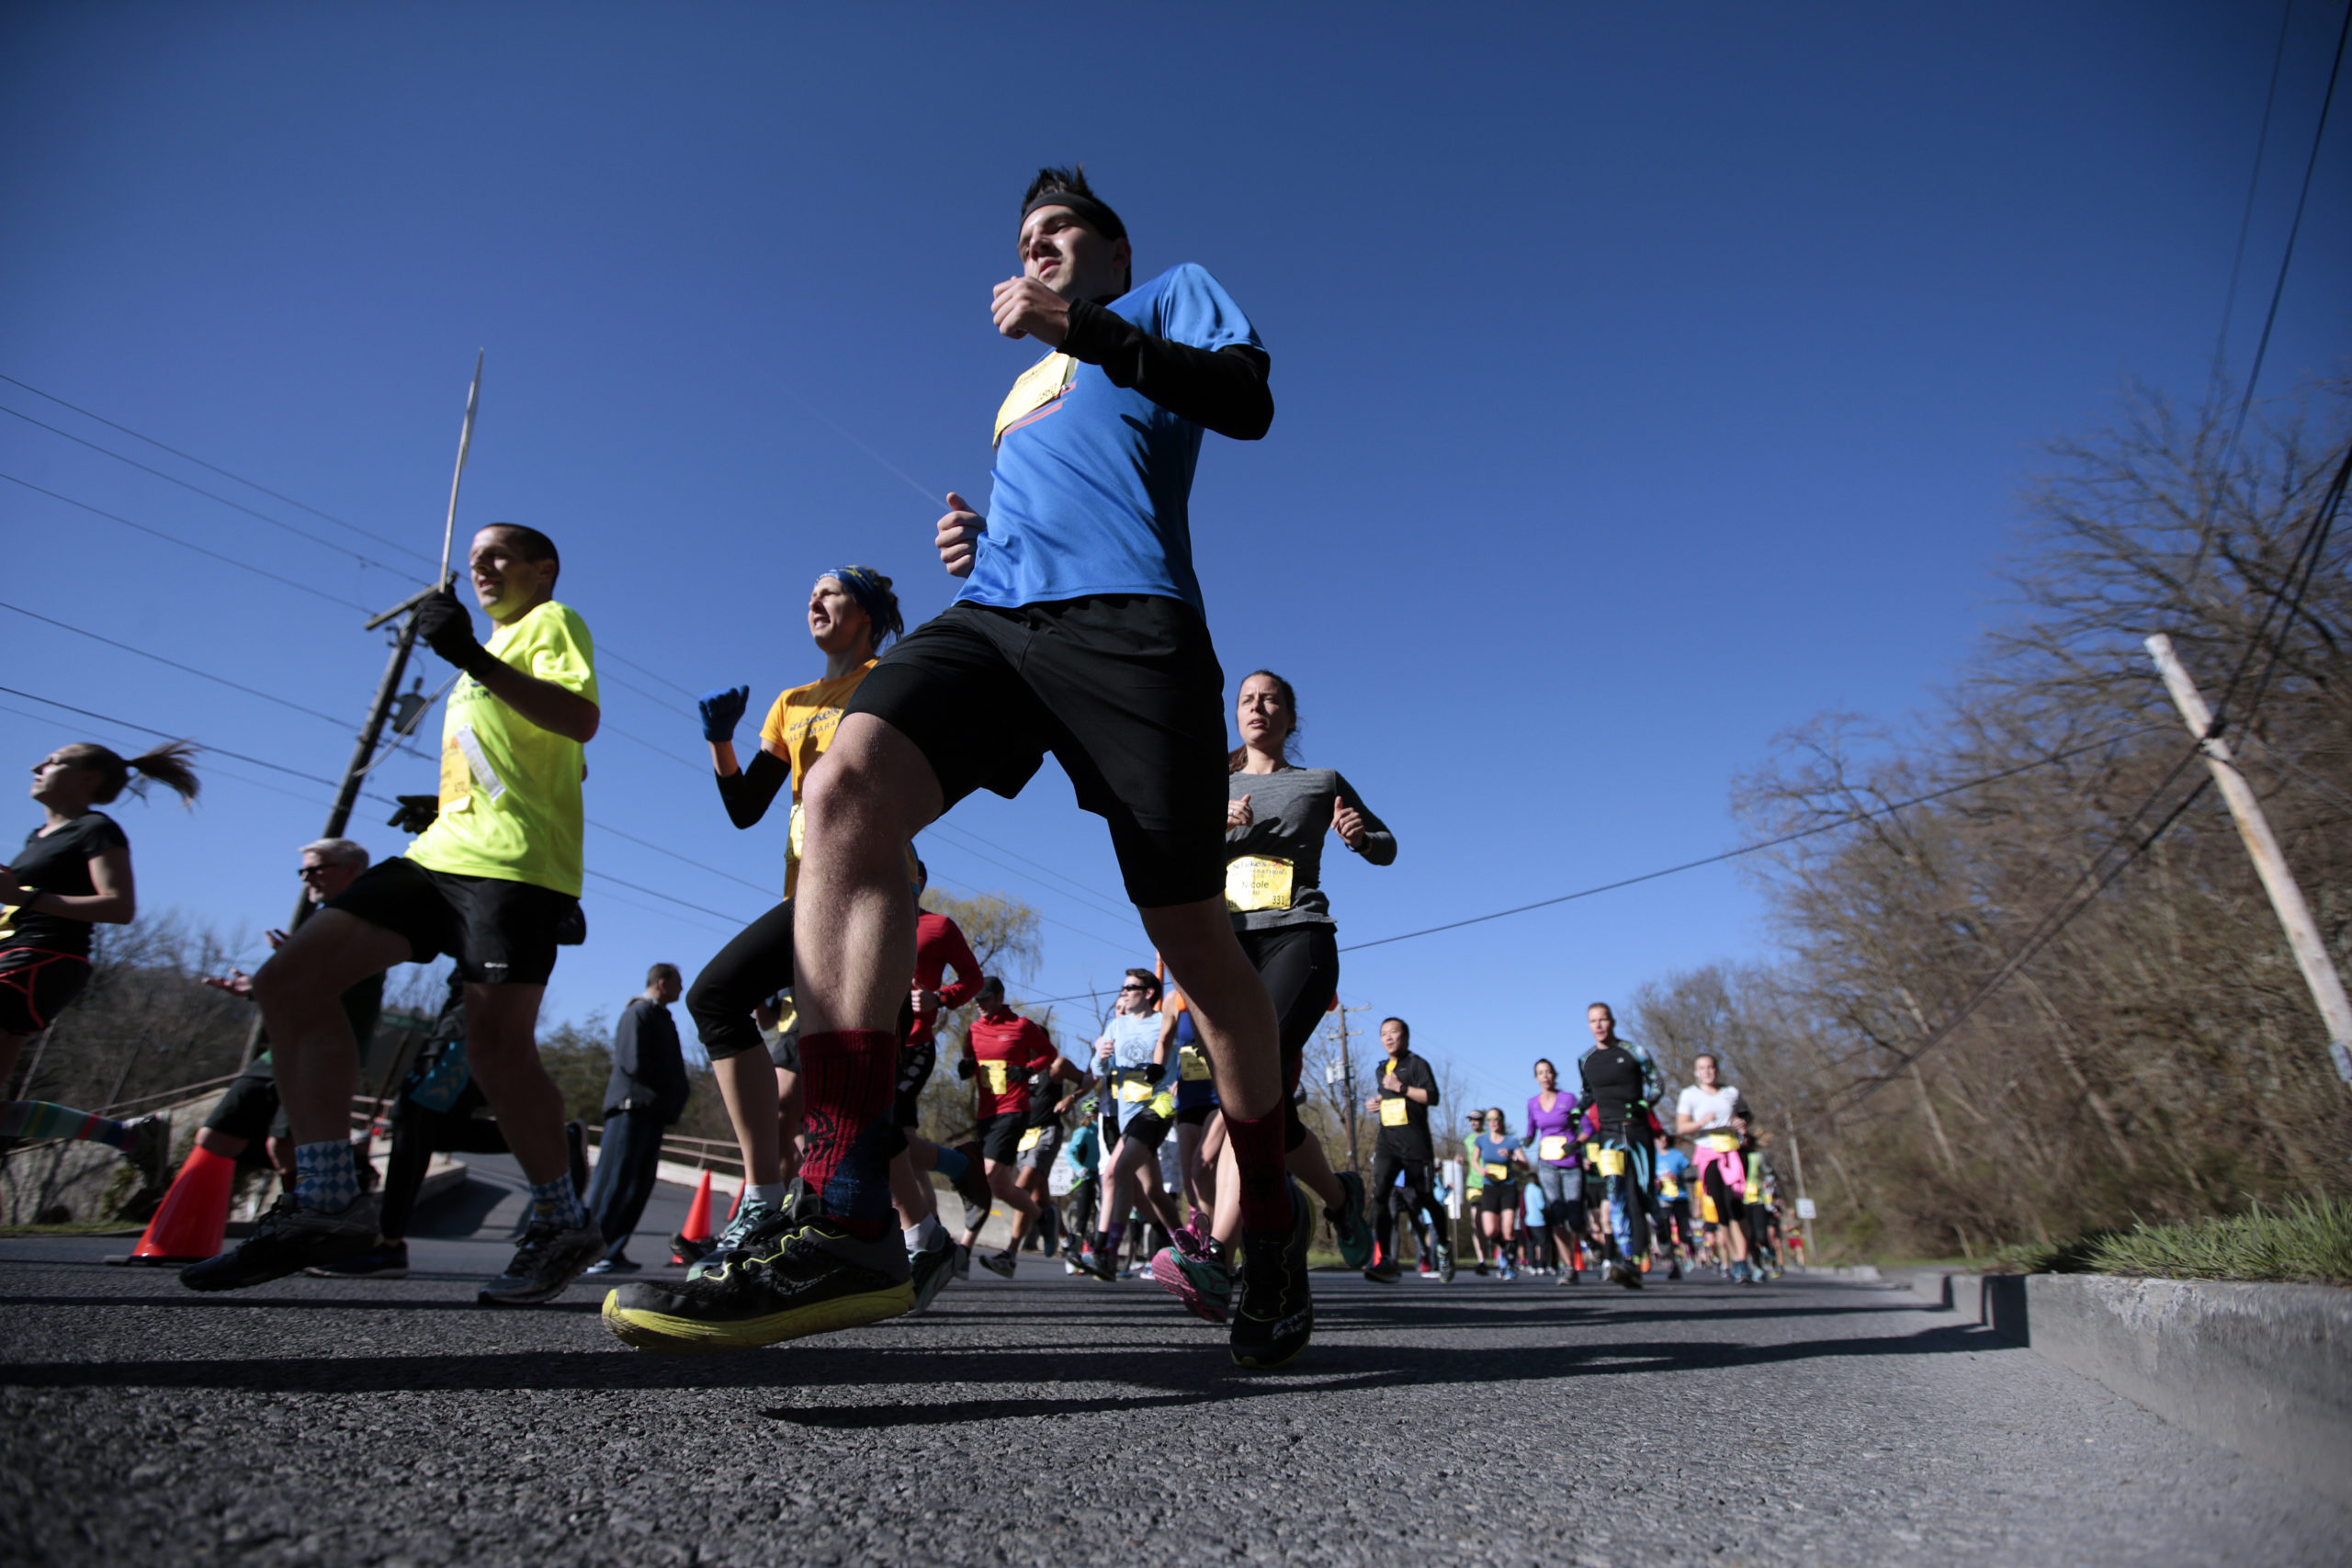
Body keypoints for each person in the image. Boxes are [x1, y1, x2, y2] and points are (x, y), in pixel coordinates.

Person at [628, 165, 1304, 1368]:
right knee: (842, 788)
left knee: (1195, 938)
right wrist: (979, 546)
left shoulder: (1162, 301)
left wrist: (1085, 326)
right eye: (1026, 239)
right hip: (996, 619)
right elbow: (1054, 502)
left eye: (1060, 236)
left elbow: (1246, 404)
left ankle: (1269, 1230)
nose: (1036, 251)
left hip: (1131, 630)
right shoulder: (1017, 390)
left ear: (1112, 251)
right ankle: (839, 1198)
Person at [186, 523, 605, 1303]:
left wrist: (469, 655)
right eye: (472, 558)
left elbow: (578, 721)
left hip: (516, 869)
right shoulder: (478, 663)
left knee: (497, 1051)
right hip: (438, 856)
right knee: (289, 981)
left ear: (543, 568)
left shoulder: (552, 622)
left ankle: (561, 1220)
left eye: (499, 555)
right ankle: (328, 1197)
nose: (481, 566)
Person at [665, 566, 909, 1290]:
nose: (815, 601)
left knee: (844, 1069)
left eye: (831, 592)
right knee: (718, 1002)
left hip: (867, 884)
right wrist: (722, 742)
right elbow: (747, 808)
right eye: (809, 593)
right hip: (806, 892)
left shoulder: (885, 681)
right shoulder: (791, 702)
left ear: (865, 613)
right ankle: (769, 1198)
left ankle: (875, 1229)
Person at [1151, 671, 1388, 1316]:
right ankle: (1339, 1198)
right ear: (1236, 714)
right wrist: (1211, 829)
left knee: (1249, 1083)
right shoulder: (1211, 786)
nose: (1259, 707)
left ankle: (1217, 1255)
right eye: (1248, 699)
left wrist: (1360, 836)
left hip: (1297, 937)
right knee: (1264, 1099)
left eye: (1271, 698)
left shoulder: (1320, 781)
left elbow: (1387, 844)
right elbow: (1166, 862)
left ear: (1290, 715)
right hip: (1226, 949)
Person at [0, 740, 198, 1187]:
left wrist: (24, 896)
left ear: (89, 778)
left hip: (41, 958)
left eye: (52, 761)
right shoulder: (38, 838)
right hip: (13, 953)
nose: (35, 764)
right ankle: (127, 1136)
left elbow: (118, 905)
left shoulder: (95, 829)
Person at [194, 838, 379, 1202]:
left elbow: (338, 980)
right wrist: (256, 986)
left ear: (351, 871)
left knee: (285, 1144)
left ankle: (327, 1213)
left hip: (328, 1047)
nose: (306, 878)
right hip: (284, 1048)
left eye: (316, 869)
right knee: (216, 1138)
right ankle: (191, 1237)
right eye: (303, 870)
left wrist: (282, 973)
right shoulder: (323, 919)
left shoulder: (366, 917)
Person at [960, 976, 1085, 1277]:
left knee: (988, 1175)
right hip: (986, 1113)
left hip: (1015, 1112)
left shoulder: (1021, 1027)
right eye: (976, 1000)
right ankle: (1043, 1217)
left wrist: (1027, 1069)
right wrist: (965, 1067)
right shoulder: (974, 1030)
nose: (980, 1005)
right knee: (1001, 1185)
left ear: (1000, 996)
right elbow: (969, 1060)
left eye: (986, 998)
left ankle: (963, 1251)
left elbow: (1050, 1055)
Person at [582, 964, 688, 1273]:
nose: (681, 989)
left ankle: (613, 1249)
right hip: (631, 1108)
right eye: (678, 983)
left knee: (638, 1183)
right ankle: (592, 1250)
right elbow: (633, 1061)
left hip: (652, 1112)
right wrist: (665, 1089)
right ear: (663, 982)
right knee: (616, 1179)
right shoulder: (638, 1013)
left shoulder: (661, 1017)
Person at [1082, 968, 1184, 1282]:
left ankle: (1105, 1250)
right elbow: (1099, 1069)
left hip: (1156, 1107)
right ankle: (1187, 1246)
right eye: (1123, 987)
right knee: (1152, 1190)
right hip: (1126, 1113)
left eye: (1130, 987)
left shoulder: (1162, 1021)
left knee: (1114, 1172)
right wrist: (1101, 1056)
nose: (1124, 992)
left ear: (1149, 992)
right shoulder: (1117, 1024)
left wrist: (1178, 1083)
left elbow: (1180, 1055)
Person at [1357, 1017, 1448, 1285]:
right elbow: (1389, 1098)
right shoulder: (1381, 1069)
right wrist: (1377, 1101)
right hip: (1387, 1143)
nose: (1387, 1038)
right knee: (1381, 1195)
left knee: (1425, 1198)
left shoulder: (1417, 1064)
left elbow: (1432, 1097)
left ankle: (1443, 1246)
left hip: (1415, 1144)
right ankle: (1385, 1259)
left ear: (1405, 1036)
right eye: (1383, 1034)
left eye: (1393, 1032)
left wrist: (1402, 1088)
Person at [1577, 1002, 1659, 1291]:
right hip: (1608, 1135)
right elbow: (1587, 1094)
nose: (1598, 1025)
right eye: (1593, 1021)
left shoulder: (1635, 1052)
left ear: (1612, 1021)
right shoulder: (1586, 1059)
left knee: (1640, 1195)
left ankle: (1639, 1255)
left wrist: (1642, 1104)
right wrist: (1575, 1113)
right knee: (1616, 1193)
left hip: (1636, 1131)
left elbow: (1656, 1084)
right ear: (1589, 1025)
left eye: (1603, 1020)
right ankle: (1627, 1261)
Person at [1675, 1052, 1754, 1283]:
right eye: (1702, 1068)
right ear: (1696, 1072)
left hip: (1732, 1152)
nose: (1707, 1072)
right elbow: (1681, 1127)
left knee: (1736, 1205)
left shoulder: (1731, 1093)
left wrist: (1742, 1123)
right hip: (1709, 1155)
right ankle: (1736, 1259)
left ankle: (1742, 1260)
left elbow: (1746, 1116)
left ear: (1717, 1069)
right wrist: (1701, 1122)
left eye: (1710, 1067)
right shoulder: (1689, 1095)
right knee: (1721, 1208)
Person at [1524, 1056, 1584, 1286]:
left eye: (1549, 1071)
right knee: (1558, 1215)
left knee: (1575, 1219)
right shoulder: (1532, 1103)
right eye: (1541, 1072)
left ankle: (1593, 1242)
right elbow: (1531, 1128)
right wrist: (1527, 1139)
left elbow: (1585, 1126)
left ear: (1554, 1075)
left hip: (1570, 1163)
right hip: (1547, 1164)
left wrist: (1576, 1144)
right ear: (1536, 1078)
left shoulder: (1568, 1099)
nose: (1545, 1076)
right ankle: (1569, 1267)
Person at [1472, 1108, 1530, 1280]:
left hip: (1508, 1188)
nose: (1493, 1121)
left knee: (1508, 1229)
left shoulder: (1511, 1142)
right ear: (1487, 1122)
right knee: (1490, 1231)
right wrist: (1480, 1169)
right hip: (1490, 1187)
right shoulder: (1481, 1140)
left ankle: (1511, 1265)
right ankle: (1505, 1249)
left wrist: (1513, 1158)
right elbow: (1474, 1160)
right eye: (1490, 1119)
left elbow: (1525, 1165)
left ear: (1502, 1120)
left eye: (1496, 1118)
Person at [1655, 1132, 1695, 1278]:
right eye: (1659, 1137)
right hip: (1662, 1198)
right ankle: (1673, 1265)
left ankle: (1688, 1255)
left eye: (1665, 1138)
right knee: (1664, 1232)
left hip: (1680, 1198)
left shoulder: (1677, 1155)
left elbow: (1692, 1174)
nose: (1662, 1140)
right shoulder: (1651, 1157)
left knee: (1684, 1233)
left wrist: (1678, 1176)